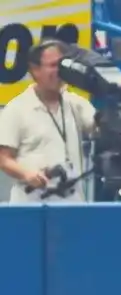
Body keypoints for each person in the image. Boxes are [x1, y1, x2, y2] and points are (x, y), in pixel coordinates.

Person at [0, 42, 96, 203]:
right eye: (52, 65)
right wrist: (26, 174)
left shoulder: (75, 103)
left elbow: (97, 128)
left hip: (72, 202)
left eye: (62, 64)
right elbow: (4, 158)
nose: (59, 71)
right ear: (35, 70)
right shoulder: (17, 108)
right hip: (31, 203)